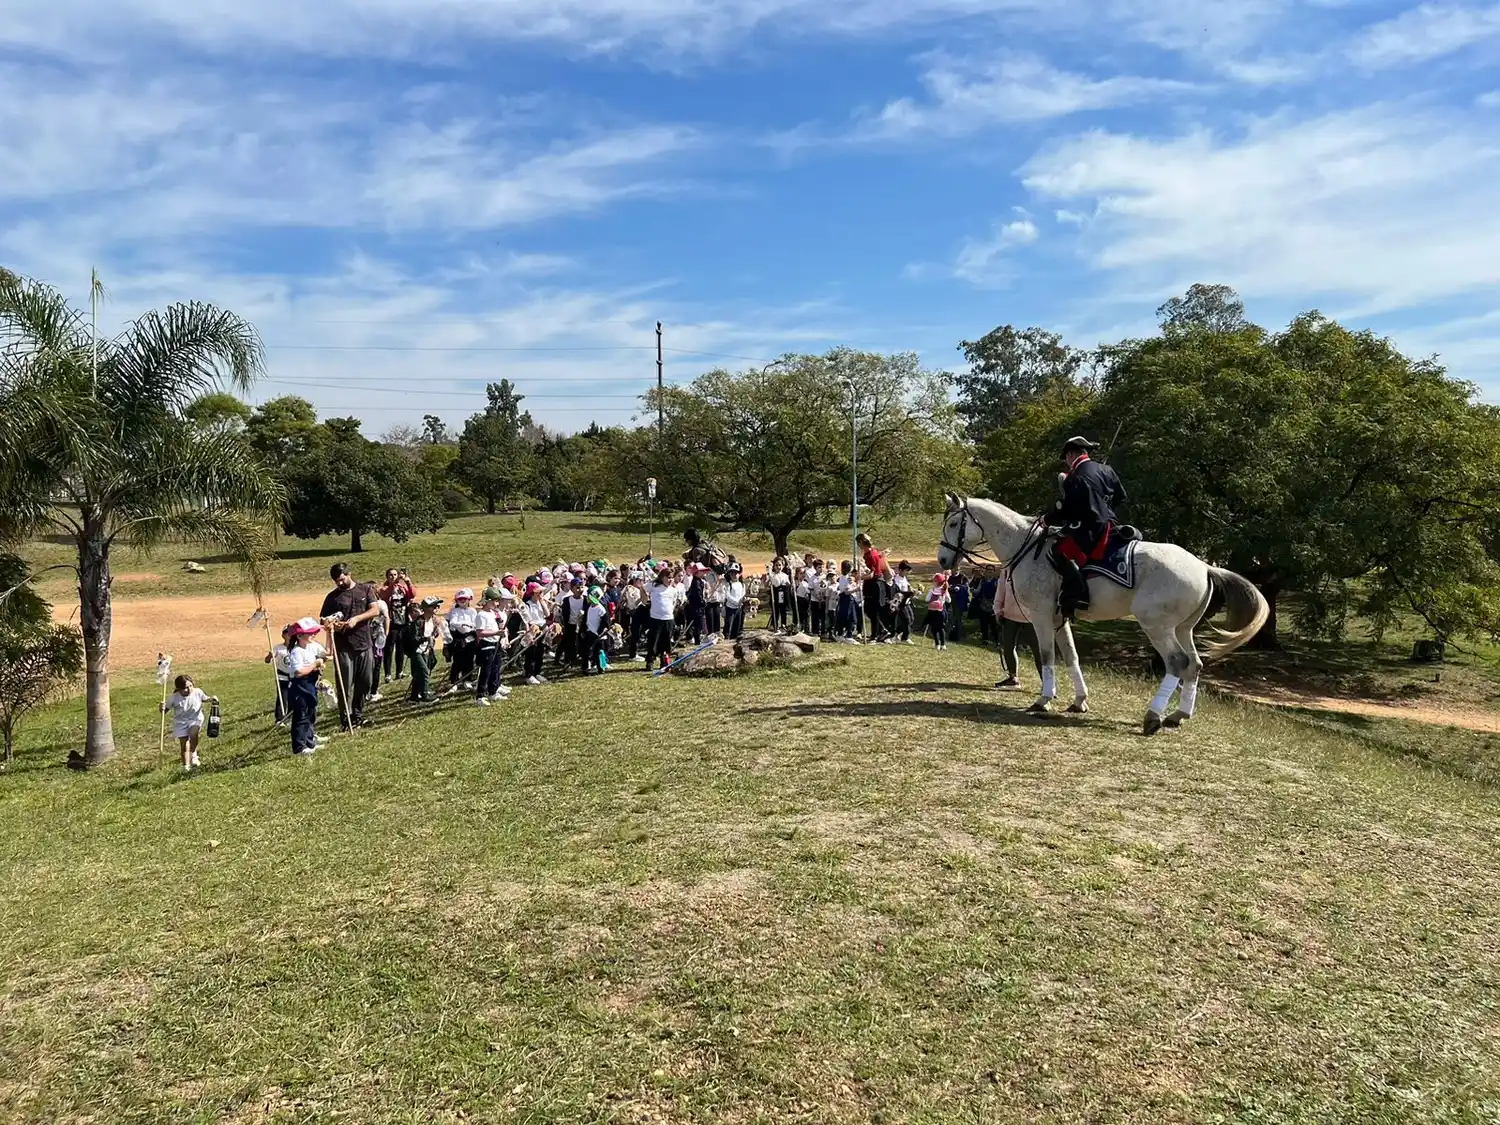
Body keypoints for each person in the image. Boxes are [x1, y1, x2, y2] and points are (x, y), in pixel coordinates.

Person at [1045, 435, 1128, 621]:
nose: (1066, 462)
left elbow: (1067, 509)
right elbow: (1121, 497)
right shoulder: (1107, 470)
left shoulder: (1075, 477)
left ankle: (1078, 594)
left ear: (1073, 454)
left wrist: (1047, 519)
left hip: (1090, 529)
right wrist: (1105, 508)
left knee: (1056, 552)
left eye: (1066, 457)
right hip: (1111, 524)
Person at [319, 562, 380, 729]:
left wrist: (356, 619)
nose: (339, 583)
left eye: (341, 579)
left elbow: (375, 611)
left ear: (349, 574)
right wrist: (332, 624)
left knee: (365, 682)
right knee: (344, 685)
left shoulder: (365, 589)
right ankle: (345, 720)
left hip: (364, 643)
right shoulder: (332, 597)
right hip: (344, 647)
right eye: (336, 581)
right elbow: (323, 620)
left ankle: (358, 715)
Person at [283, 618, 327, 755]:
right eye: (310, 633)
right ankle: (299, 747)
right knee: (301, 717)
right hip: (299, 687)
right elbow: (298, 672)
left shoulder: (308, 648)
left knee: (310, 714)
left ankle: (309, 741)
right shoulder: (296, 651)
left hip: (309, 685)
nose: (314, 635)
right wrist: (314, 665)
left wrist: (316, 668)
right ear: (300, 636)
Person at [994, 567, 1043, 690]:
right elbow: (1001, 589)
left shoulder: (1032, 565)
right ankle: (1013, 678)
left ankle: (1047, 683)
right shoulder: (1006, 569)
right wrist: (997, 609)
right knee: (1008, 647)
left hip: (1031, 617)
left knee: (1038, 650)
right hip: (1009, 615)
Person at [162, 674, 214, 771]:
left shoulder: (197, 692)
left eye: (191, 686)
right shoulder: (173, 698)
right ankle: (186, 765)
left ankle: (193, 754)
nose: (189, 689)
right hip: (180, 723)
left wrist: (212, 699)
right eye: (186, 688)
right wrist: (162, 708)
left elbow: (205, 699)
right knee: (184, 744)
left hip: (195, 719)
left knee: (193, 733)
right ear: (179, 688)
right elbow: (164, 711)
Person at [379, 568, 417, 684]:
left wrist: (408, 582)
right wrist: (393, 585)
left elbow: (412, 595)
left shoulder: (402, 588)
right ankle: (388, 674)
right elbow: (385, 595)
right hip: (391, 622)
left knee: (400, 647)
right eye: (390, 575)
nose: (393, 577)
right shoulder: (384, 588)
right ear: (387, 577)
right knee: (389, 649)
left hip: (403, 621)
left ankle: (399, 672)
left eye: (395, 575)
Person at [409, 596, 444, 702]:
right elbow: (414, 639)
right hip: (417, 652)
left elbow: (434, 635)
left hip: (426, 651)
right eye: (434, 606)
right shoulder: (418, 622)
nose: (437, 608)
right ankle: (425, 696)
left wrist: (435, 633)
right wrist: (426, 638)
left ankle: (414, 697)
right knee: (424, 672)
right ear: (426, 608)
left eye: (437, 606)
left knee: (420, 674)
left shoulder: (433, 620)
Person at [646, 566, 679, 672]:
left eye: (672, 578)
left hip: (668, 619)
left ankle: (664, 661)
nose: (670, 580)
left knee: (666, 642)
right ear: (662, 577)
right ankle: (650, 661)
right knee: (653, 641)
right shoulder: (654, 586)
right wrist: (644, 600)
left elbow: (673, 603)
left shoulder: (673, 590)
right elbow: (643, 588)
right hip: (656, 618)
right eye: (668, 577)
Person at [264, 622, 294, 724]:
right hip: (282, 677)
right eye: (287, 633)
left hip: (294, 677)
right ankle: (280, 718)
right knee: (282, 697)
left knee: (293, 697)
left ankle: (291, 716)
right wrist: (270, 656)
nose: (289, 635)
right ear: (283, 636)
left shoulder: (297, 648)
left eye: (291, 633)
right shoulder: (278, 648)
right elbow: (267, 661)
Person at [925, 574, 949, 650]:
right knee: (941, 628)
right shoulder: (944, 590)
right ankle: (943, 644)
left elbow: (927, 599)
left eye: (934, 580)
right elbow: (949, 600)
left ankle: (937, 644)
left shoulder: (932, 590)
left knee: (934, 628)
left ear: (936, 582)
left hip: (932, 611)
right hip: (941, 611)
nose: (933, 582)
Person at [722, 564, 746, 639]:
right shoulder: (728, 584)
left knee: (737, 623)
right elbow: (728, 596)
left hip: (739, 608)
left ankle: (735, 636)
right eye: (732, 573)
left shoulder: (742, 584)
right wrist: (736, 602)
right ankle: (726, 635)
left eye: (736, 573)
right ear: (729, 574)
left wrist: (742, 600)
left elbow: (743, 594)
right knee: (728, 623)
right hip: (730, 608)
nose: (734, 575)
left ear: (739, 574)